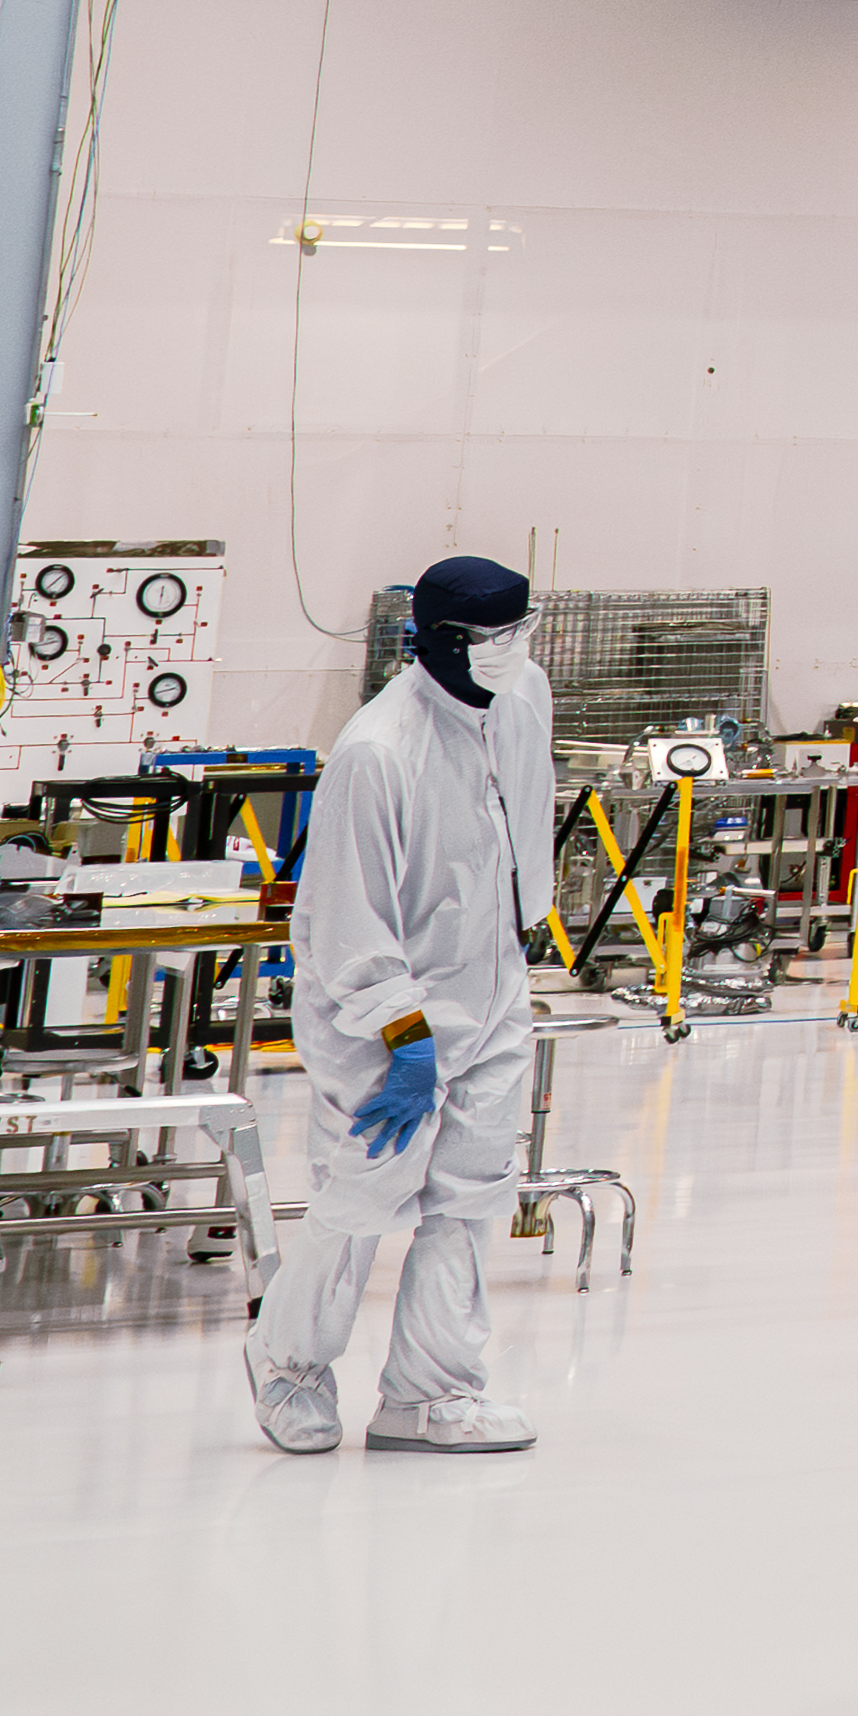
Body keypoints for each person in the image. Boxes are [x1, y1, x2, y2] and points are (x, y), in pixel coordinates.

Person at [253, 551, 560, 1459]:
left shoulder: (524, 695)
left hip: (494, 991)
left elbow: (525, 811)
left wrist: (530, 917)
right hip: (390, 1024)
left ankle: (430, 1397)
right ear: (439, 642)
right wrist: (405, 1036)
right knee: (361, 1199)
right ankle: (287, 1365)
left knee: (467, 1199)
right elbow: (347, 918)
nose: (514, 650)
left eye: (521, 631)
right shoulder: (377, 751)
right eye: (495, 637)